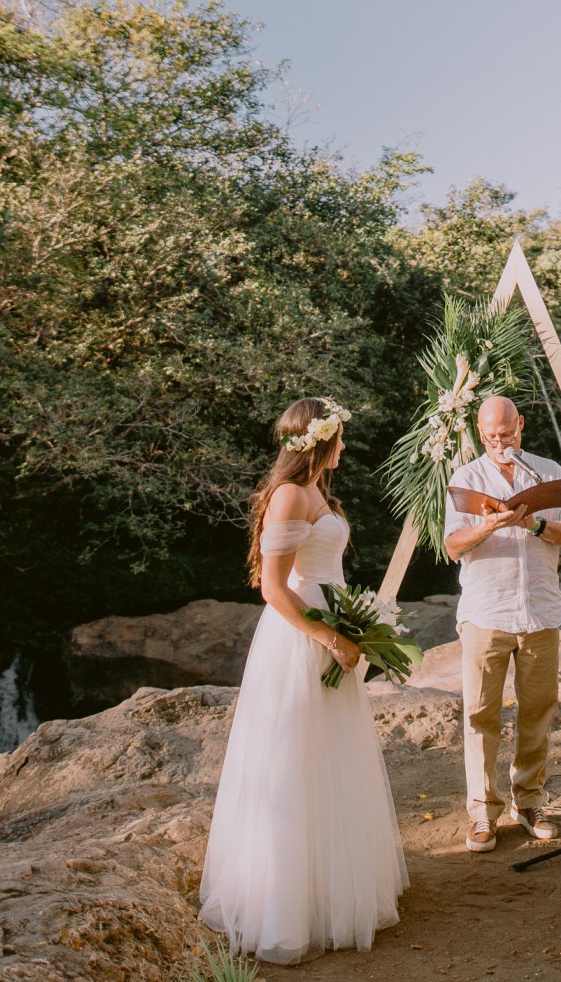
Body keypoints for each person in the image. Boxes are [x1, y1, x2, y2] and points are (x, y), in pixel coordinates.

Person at [200, 397, 407, 965]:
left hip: (327, 627)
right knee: (294, 762)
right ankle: (288, 910)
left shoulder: (319, 492)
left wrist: (351, 627)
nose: (344, 446)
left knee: (331, 762)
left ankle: (333, 891)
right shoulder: (291, 495)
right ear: (318, 440)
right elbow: (272, 588)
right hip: (299, 640)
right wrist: (330, 637)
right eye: (338, 436)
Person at [444, 396, 561, 854]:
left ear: (520, 424)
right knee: (480, 715)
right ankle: (482, 812)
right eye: (489, 436)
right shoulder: (465, 477)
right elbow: (452, 545)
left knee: (538, 710)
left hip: (541, 610)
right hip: (486, 612)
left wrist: (534, 526)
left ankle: (529, 802)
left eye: (506, 434)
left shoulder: (548, 472)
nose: (499, 443)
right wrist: (491, 525)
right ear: (478, 431)